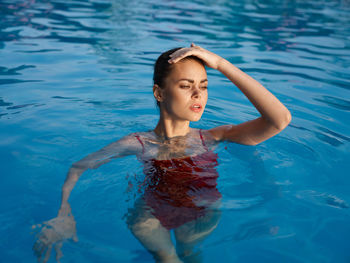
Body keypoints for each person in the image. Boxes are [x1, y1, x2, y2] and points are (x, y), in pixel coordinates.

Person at [33, 43, 291, 263]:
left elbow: (279, 120)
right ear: (159, 92)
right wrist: (63, 213)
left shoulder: (213, 136)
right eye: (185, 86)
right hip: (150, 215)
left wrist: (221, 64)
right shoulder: (138, 143)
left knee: (190, 254)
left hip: (202, 212)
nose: (198, 93)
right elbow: (78, 167)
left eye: (204, 85)